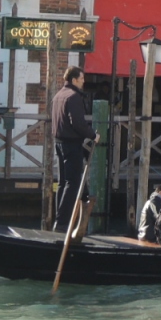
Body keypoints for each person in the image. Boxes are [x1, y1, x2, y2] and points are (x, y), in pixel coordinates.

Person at [50, 65, 97, 230]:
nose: (84, 81)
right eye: (82, 78)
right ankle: (62, 223)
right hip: (71, 144)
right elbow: (77, 123)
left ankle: (59, 221)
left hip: (59, 142)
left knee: (63, 183)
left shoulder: (58, 95)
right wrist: (93, 135)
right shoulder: (74, 96)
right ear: (74, 79)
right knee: (73, 183)